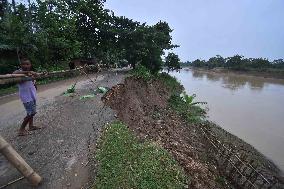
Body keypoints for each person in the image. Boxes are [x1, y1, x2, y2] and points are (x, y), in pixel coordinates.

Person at [13, 58, 41, 136]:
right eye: (23, 64)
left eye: (27, 64)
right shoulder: (18, 73)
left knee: (31, 112)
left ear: (30, 65)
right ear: (21, 65)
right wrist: (29, 72)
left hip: (32, 95)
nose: (25, 65)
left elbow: (33, 82)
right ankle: (21, 129)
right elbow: (14, 73)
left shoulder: (31, 74)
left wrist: (35, 83)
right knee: (31, 113)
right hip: (26, 97)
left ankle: (31, 126)